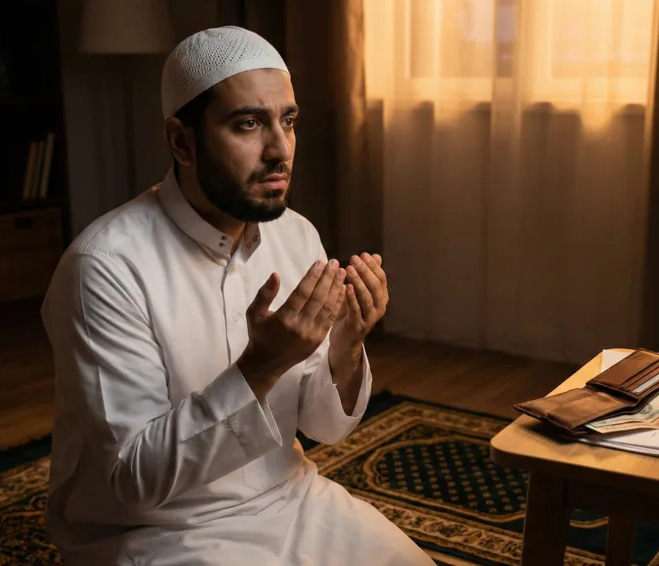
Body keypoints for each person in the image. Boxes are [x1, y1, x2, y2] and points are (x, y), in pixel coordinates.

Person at [40, 26, 435, 566]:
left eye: (288, 121)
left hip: (289, 498)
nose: (279, 150)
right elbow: (134, 480)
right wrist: (261, 368)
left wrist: (345, 344)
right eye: (248, 123)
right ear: (182, 140)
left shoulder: (295, 234)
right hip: (158, 531)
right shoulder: (105, 268)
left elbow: (323, 428)